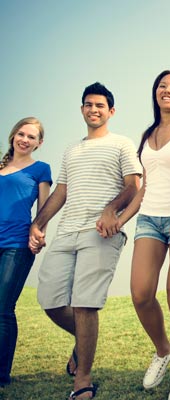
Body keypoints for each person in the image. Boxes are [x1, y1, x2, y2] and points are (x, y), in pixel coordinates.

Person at [28, 82, 142, 400]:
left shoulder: (121, 143)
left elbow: (133, 185)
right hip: (67, 230)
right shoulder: (71, 150)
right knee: (49, 299)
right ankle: (84, 342)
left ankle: (83, 379)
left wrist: (111, 210)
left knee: (84, 303)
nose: (94, 109)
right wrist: (38, 223)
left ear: (111, 111)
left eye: (100, 105)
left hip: (100, 233)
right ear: (82, 110)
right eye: (88, 105)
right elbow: (61, 192)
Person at [117, 69, 170, 400]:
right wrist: (123, 218)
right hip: (149, 220)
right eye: (162, 86)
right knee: (140, 293)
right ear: (156, 92)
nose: (167, 90)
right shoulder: (149, 132)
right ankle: (163, 349)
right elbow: (145, 187)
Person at [0, 117, 51, 387]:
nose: (25, 139)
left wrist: (39, 232)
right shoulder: (0, 166)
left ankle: (1, 375)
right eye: (21, 133)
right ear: (13, 135)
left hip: (17, 245)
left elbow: (44, 209)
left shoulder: (41, 169)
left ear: (39, 143)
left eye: (31, 137)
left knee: (3, 309)